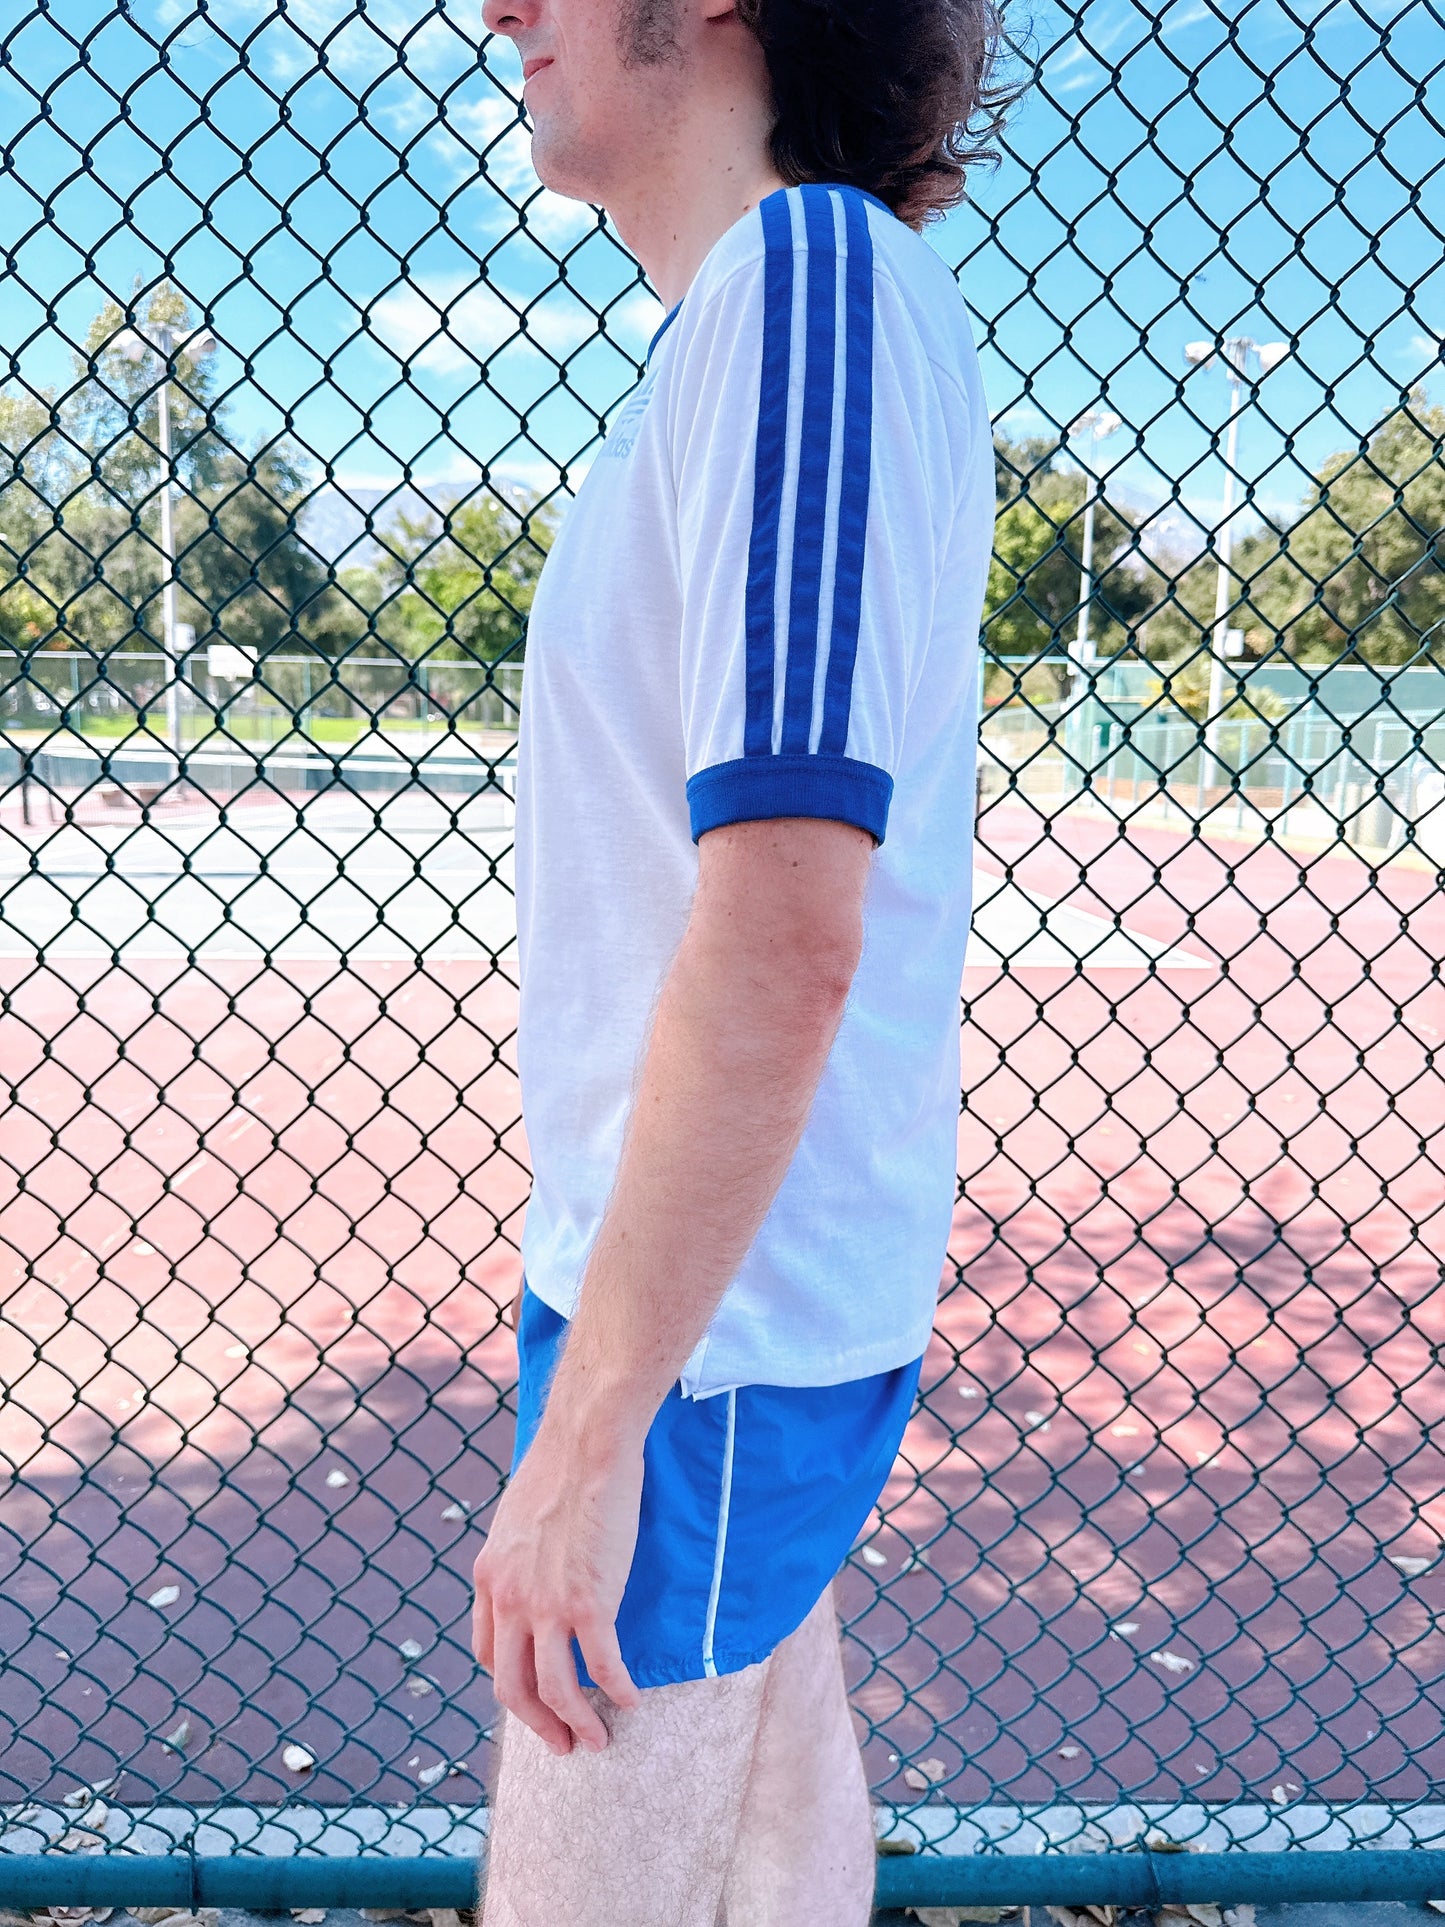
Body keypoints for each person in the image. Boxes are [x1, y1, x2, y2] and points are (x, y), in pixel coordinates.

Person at [469, 0, 1019, 1914]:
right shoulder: (770, 312)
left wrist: (592, 1434)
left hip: (705, 1340)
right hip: (719, 1297)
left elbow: (785, 910)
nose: (502, 13)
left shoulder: (803, 282)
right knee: (773, 1802)